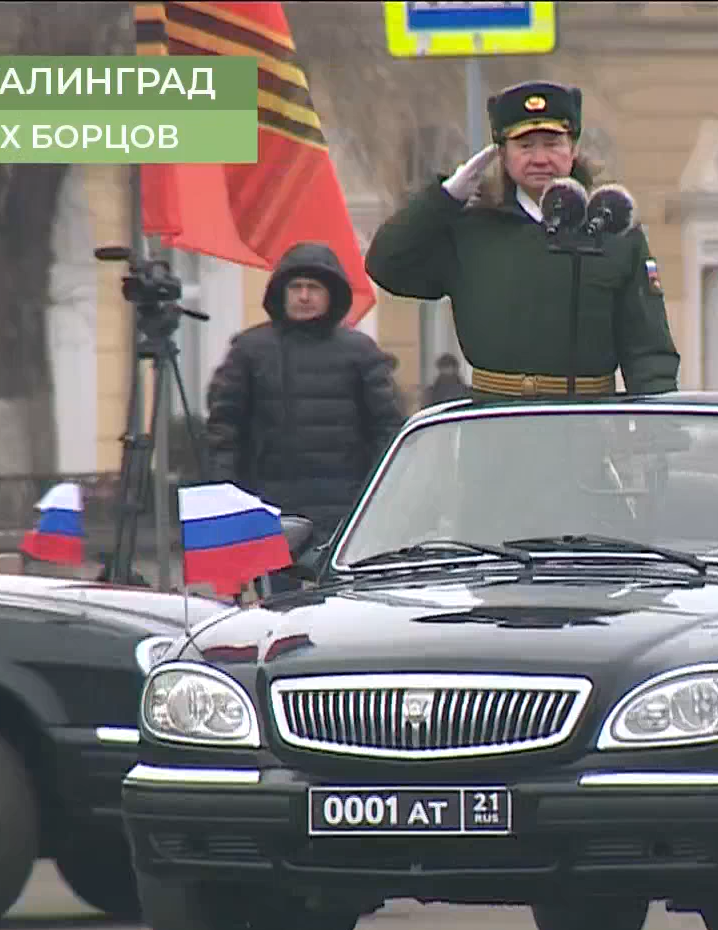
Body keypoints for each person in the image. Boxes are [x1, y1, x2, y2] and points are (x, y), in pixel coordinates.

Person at [365, 80, 679, 401]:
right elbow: (386, 264)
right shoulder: (473, 229)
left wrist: (656, 422)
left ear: (573, 149)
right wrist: (445, 196)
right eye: (525, 146)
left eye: (552, 143)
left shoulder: (612, 230)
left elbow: (648, 351)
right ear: (502, 154)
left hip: (587, 417)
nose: (540, 159)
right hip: (495, 416)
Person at [203, 241, 407, 587]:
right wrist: (227, 493)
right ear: (280, 293)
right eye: (295, 287)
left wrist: (377, 496)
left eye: (314, 287)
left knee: (340, 602)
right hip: (269, 508)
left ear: (332, 295)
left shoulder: (360, 353)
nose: (303, 296)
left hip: (345, 509)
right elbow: (224, 429)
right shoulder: (249, 351)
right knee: (277, 606)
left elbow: (387, 428)